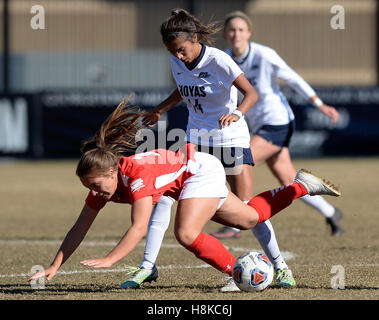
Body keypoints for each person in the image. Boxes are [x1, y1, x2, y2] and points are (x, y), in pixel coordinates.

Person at [27, 100, 340, 287]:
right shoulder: (106, 183)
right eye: (89, 188)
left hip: (200, 170)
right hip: (194, 174)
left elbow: (138, 226)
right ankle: (301, 186)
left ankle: (238, 275)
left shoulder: (136, 176)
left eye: (96, 185)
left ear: (112, 172)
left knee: (186, 232)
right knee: (249, 218)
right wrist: (56, 264)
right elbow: (79, 227)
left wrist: (112, 258)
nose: (95, 192)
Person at [126, 8, 297, 290]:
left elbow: (251, 92)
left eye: (181, 50)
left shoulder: (219, 60)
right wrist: (159, 109)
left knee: (247, 212)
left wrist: (238, 114)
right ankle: (147, 267)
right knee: (167, 195)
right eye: (172, 52)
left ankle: (281, 268)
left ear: (194, 37)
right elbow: (183, 88)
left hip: (230, 140)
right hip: (197, 140)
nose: (178, 56)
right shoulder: (176, 58)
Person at [211, 11, 344, 242]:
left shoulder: (264, 55)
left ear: (249, 33)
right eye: (231, 30)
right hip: (258, 126)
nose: (236, 34)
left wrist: (320, 105)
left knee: (240, 162)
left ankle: (234, 222)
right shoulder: (223, 58)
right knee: (289, 181)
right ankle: (331, 213)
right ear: (225, 34)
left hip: (277, 122)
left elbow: (292, 78)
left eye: (241, 30)